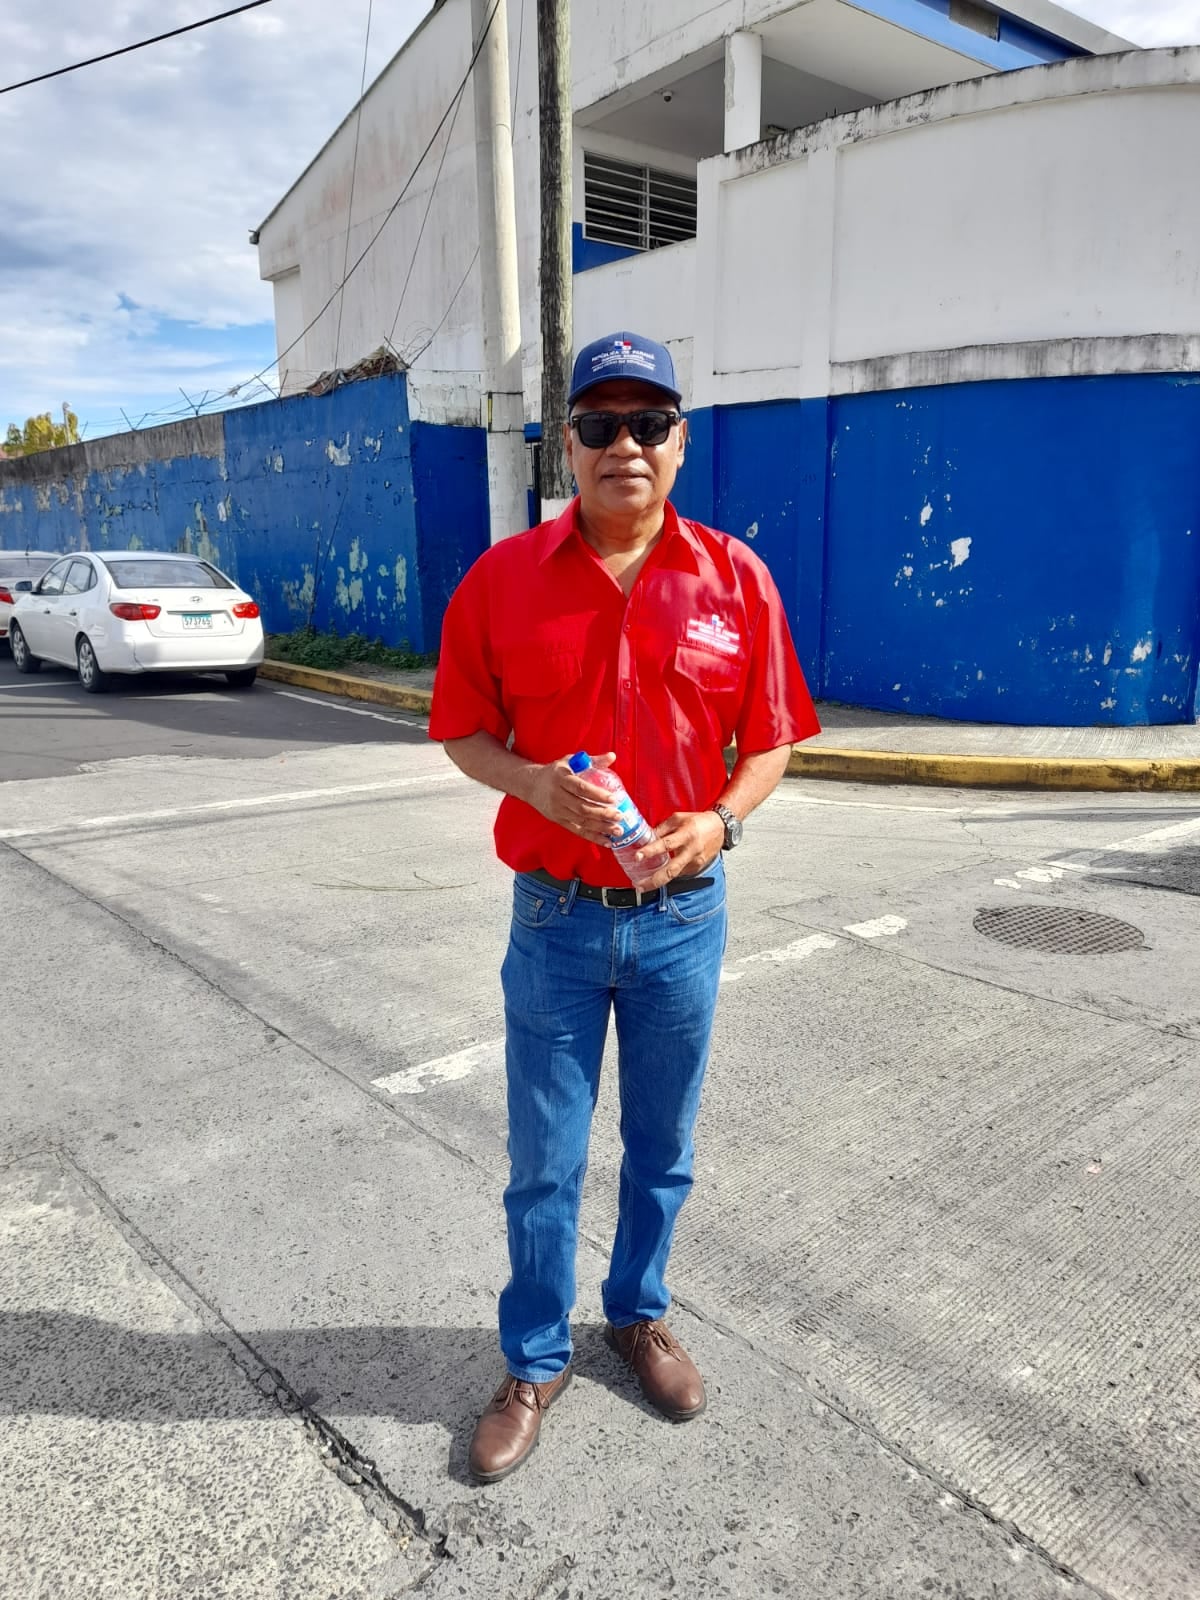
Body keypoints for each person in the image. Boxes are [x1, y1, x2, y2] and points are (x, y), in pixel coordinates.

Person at [429, 330, 820, 1483]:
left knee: (662, 1147)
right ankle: (535, 1357)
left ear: (680, 443)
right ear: (569, 444)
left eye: (647, 423)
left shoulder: (736, 578)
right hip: (553, 917)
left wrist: (723, 820)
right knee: (544, 1159)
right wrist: (532, 781)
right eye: (598, 424)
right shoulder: (501, 583)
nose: (624, 446)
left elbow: (776, 737)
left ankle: (636, 1313)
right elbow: (460, 728)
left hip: (682, 918)